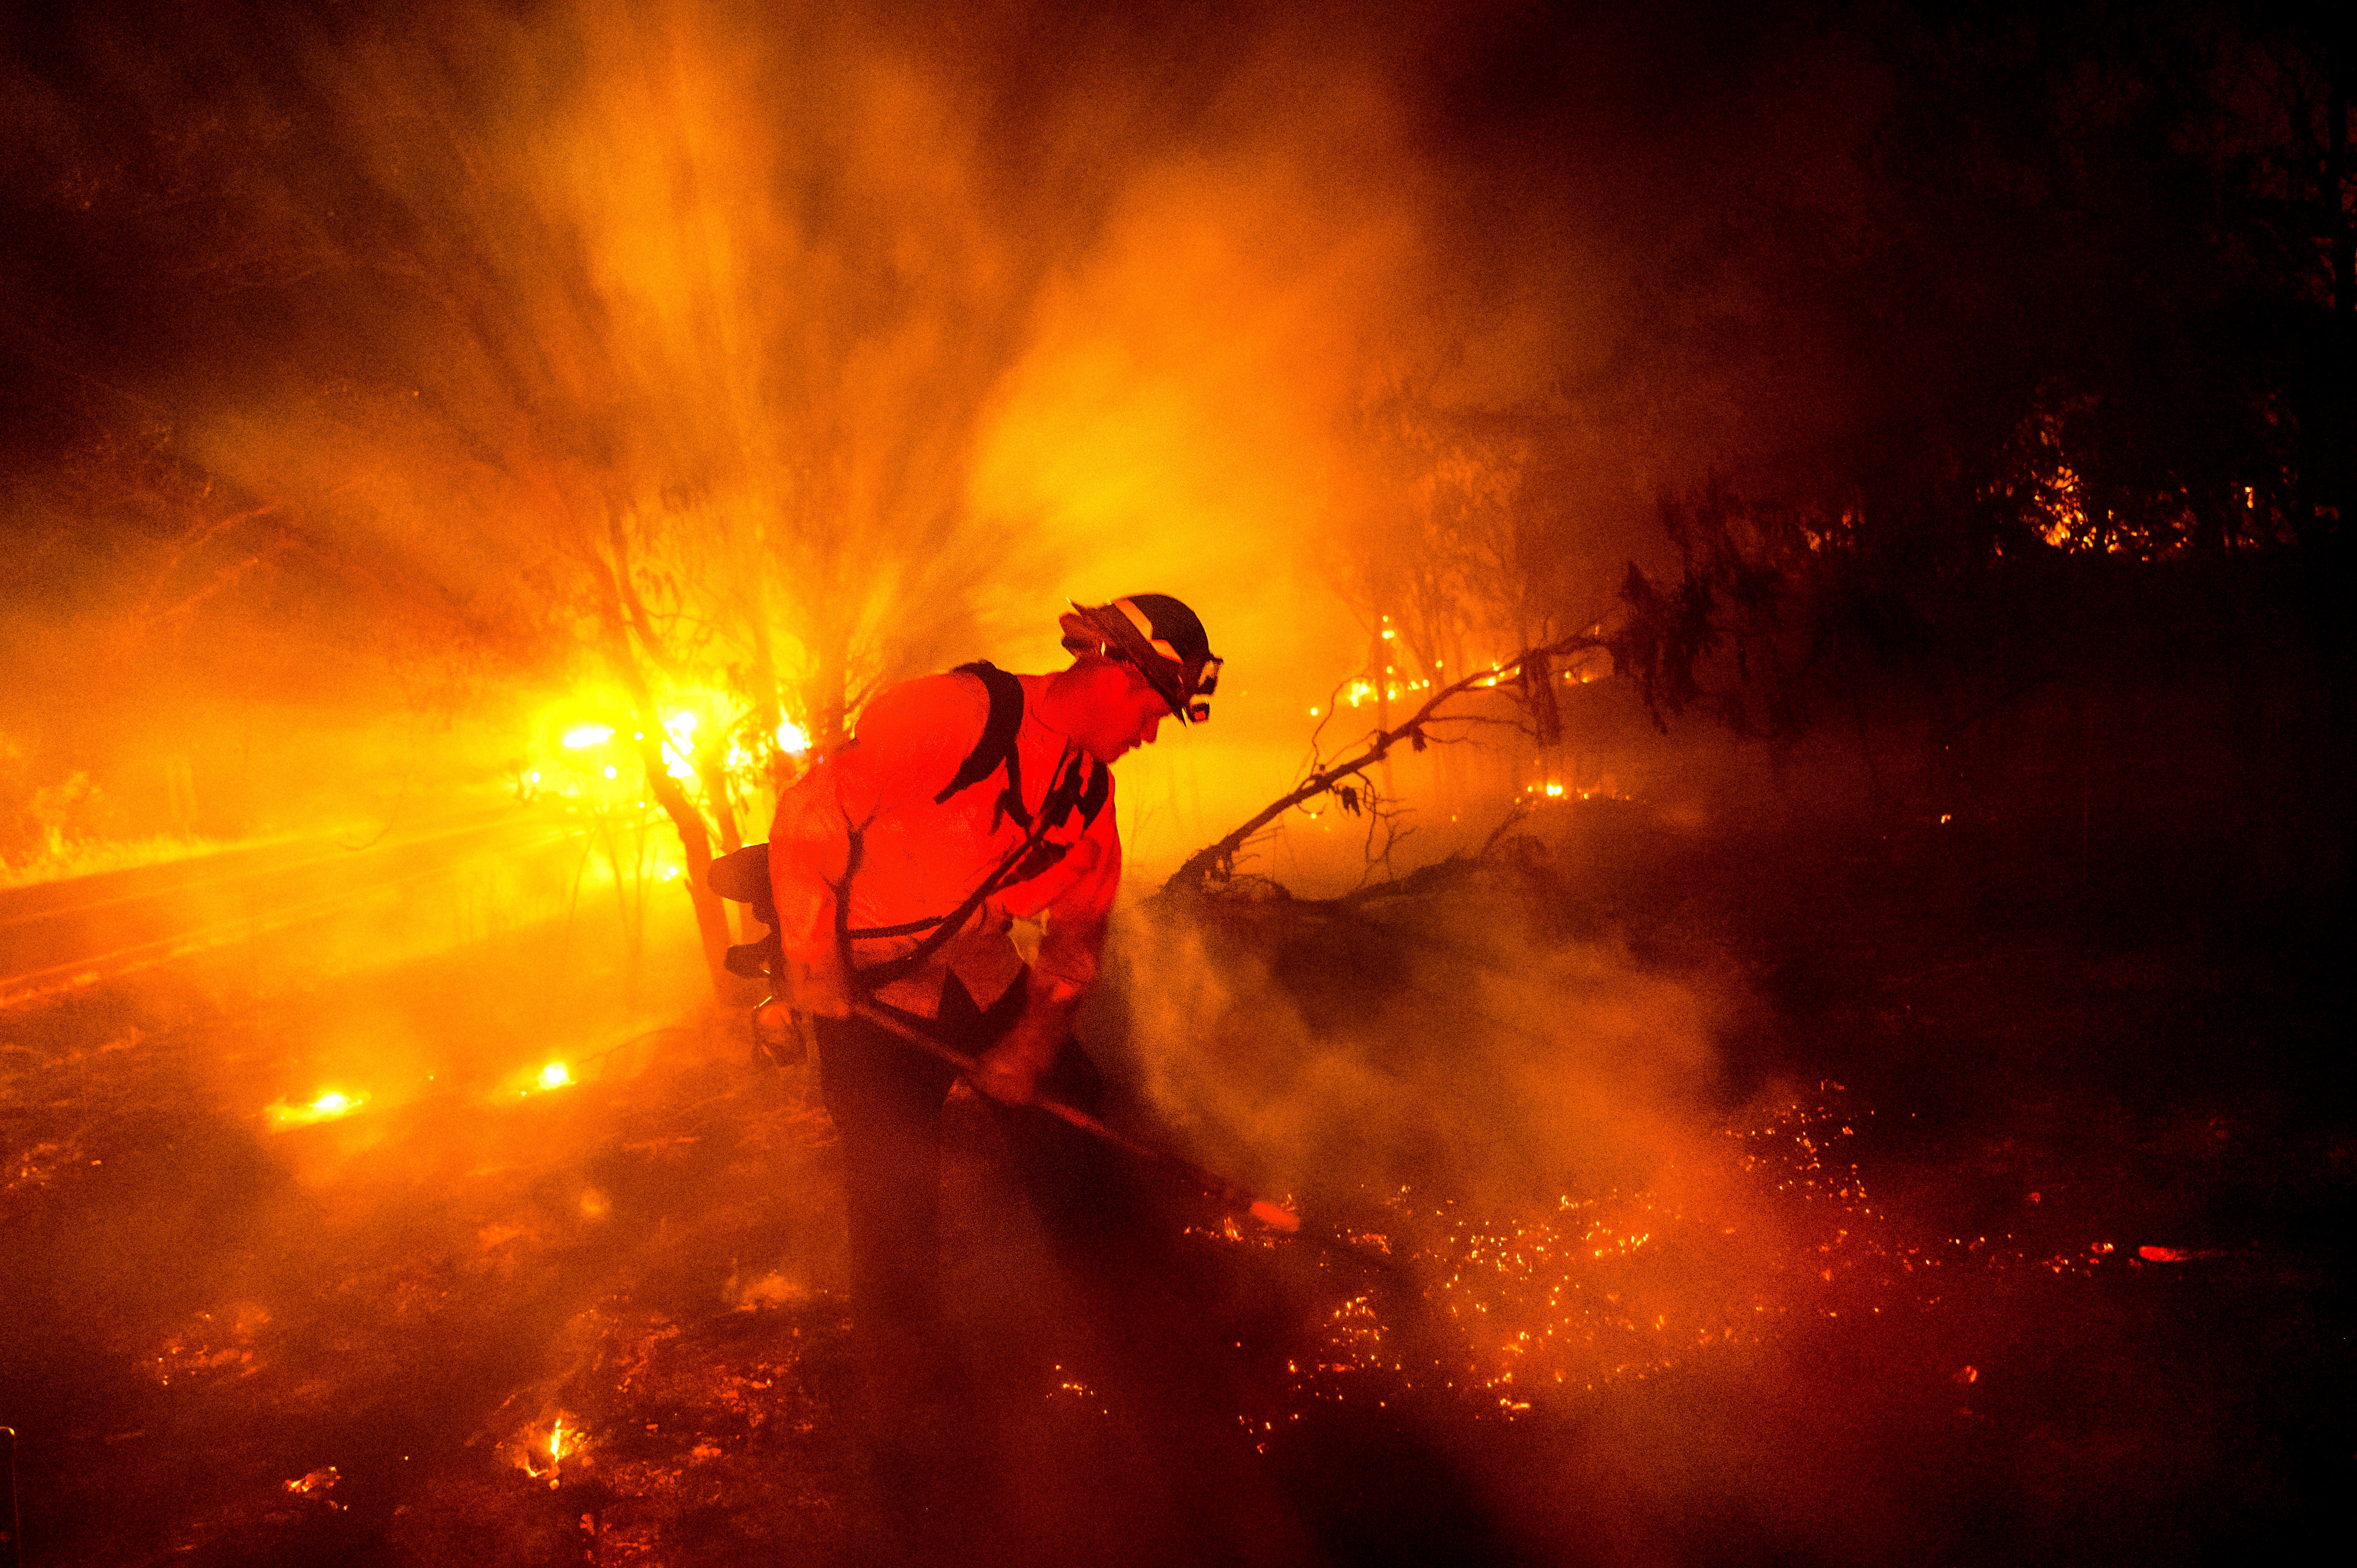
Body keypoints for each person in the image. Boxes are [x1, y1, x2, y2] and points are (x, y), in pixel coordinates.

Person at [761, 594, 1221, 1426]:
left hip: (978, 975)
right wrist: (813, 959)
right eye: (1155, 710)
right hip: (866, 987)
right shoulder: (952, 713)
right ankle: (909, 1404)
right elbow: (806, 822)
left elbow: (1076, 944)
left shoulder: (1089, 798)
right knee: (892, 1194)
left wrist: (1032, 1047)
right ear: (1120, 673)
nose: (1151, 734)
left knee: (1076, 1120)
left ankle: (1134, 1332)